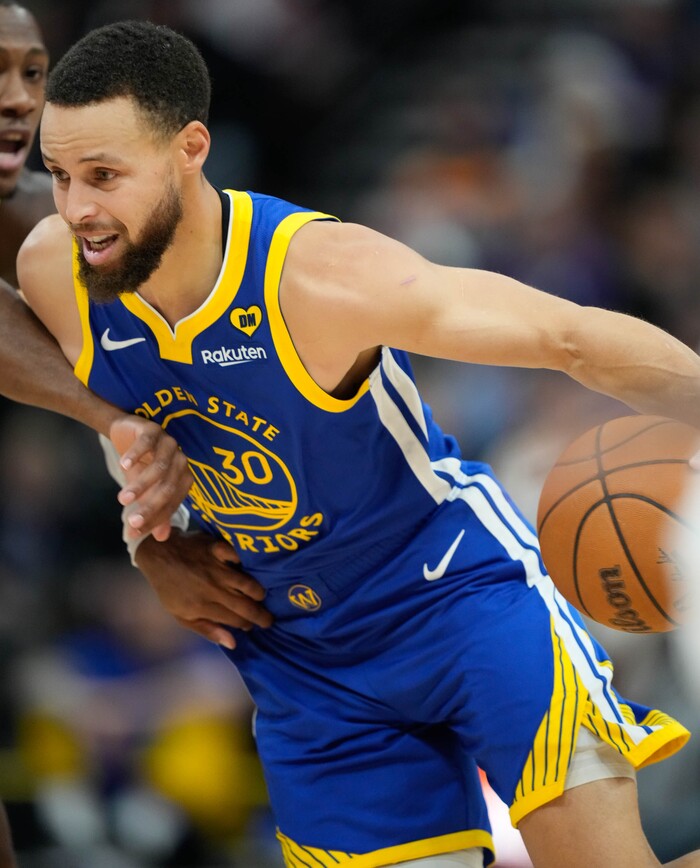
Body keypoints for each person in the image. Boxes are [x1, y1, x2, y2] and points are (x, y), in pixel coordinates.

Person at [17, 18, 700, 868]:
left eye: (105, 176)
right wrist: (146, 533)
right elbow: (88, 382)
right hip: (301, 657)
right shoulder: (59, 267)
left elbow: (571, 338)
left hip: (453, 597)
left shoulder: (319, 276)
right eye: (59, 175)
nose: (79, 207)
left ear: (191, 148)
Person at [0, 6, 204, 862]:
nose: (18, 99)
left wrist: (149, 517)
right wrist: (118, 426)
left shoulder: (47, 233)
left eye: (33, 74)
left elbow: (91, 360)